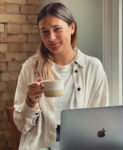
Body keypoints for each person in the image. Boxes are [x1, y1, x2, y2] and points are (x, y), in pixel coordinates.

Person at [13, 2, 109, 150]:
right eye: (44, 31)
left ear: (72, 28)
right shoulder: (30, 68)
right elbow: (22, 126)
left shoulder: (93, 67)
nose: (51, 38)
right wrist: (30, 101)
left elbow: (100, 122)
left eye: (57, 29)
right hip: (39, 145)